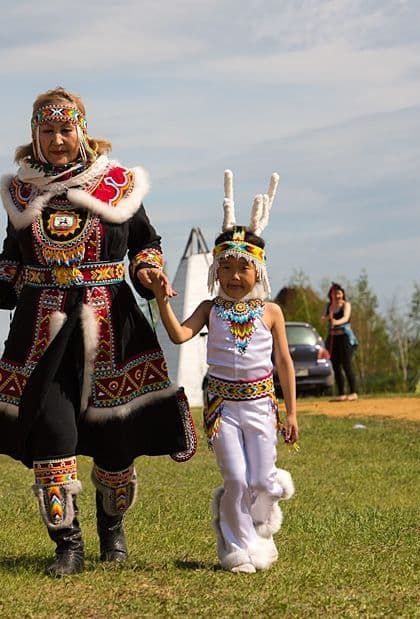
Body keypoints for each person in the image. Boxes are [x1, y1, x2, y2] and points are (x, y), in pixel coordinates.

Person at [0, 87, 197, 577]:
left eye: (65, 129)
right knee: (53, 432)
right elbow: (12, 259)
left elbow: (145, 243)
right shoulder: (21, 191)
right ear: (34, 134)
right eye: (47, 130)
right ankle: (66, 545)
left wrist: (150, 271)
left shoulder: (116, 184)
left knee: (115, 444)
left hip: (113, 323)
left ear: (82, 130)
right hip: (41, 331)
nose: (57, 140)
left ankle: (111, 532)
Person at [152, 170, 298, 573]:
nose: (235, 277)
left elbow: (284, 362)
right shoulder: (209, 309)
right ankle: (236, 547)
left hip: (262, 407)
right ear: (216, 271)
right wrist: (163, 301)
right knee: (235, 478)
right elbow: (180, 335)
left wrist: (291, 413)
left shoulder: (271, 312)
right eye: (227, 268)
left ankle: (259, 534)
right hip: (223, 409)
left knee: (262, 481)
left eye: (243, 268)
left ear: (258, 272)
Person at [322, 283, 359, 401]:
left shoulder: (346, 305)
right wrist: (328, 318)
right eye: (334, 293)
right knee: (335, 365)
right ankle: (341, 393)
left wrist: (336, 322)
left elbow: (346, 318)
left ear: (342, 294)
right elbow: (322, 319)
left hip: (345, 339)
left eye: (339, 293)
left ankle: (353, 392)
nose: (337, 296)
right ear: (331, 295)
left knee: (346, 364)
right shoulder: (328, 306)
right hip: (333, 339)